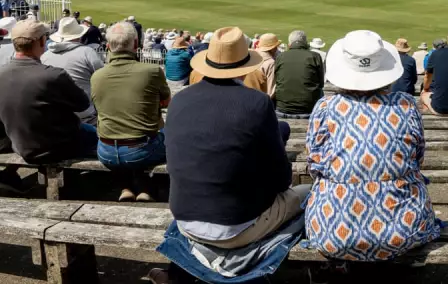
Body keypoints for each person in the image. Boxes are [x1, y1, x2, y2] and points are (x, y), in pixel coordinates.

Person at [152, 27, 304, 284]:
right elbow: (282, 179)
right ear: (244, 67)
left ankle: (183, 272)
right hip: (236, 224)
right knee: (307, 195)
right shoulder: (257, 103)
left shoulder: (181, 100)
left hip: (184, 217)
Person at [305, 30, 439, 261]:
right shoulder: (406, 105)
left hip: (332, 233)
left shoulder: (326, 107)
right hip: (405, 230)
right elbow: (418, 159)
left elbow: (315, 164)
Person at [92, 22, 171, 202]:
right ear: (136, 44)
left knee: (130, 135)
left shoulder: (97, 76)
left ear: (108, 46)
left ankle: (127, 187)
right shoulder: (151, 71)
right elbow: (166, 102)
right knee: (171, 135)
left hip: (106, 151)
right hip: (141, 149)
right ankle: (148, 187)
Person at [0, 20, 97, 163]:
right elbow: (83, 104)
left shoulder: (2, 73)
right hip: (55, 147)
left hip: (20, 145)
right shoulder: (53, 75)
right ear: (41, 41)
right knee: (96, 134)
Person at [42, 17, 104, 125]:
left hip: (54, 116)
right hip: (85, 116)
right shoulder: (87, 52)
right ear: (79, 35)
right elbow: (103, 79)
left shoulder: (45, 56)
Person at [273, 30, 325, 117]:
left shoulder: (280, 57)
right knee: (321, 92)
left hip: (282, 109)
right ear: (305, 43)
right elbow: (321, 84)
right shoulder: (315, 56)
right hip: (308, 109)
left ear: (290, 44)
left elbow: (277, 80)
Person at [255, 33, 281, 98]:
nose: (277, 48)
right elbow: (271, 91)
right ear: (272, 48)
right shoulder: (271, 63)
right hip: (263, 101)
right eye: (276, 46)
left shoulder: (253, 57)